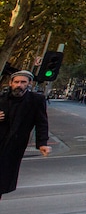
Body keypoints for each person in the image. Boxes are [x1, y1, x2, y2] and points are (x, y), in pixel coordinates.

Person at [0, 70, 52, 200]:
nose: (19, 85)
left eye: (23, 82)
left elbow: (42, 123)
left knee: (2, 181)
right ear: (10, 83)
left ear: (30, 83)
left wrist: (42, 144)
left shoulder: (36, 100)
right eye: (16, 82)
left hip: (13, 148)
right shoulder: (1, 98)